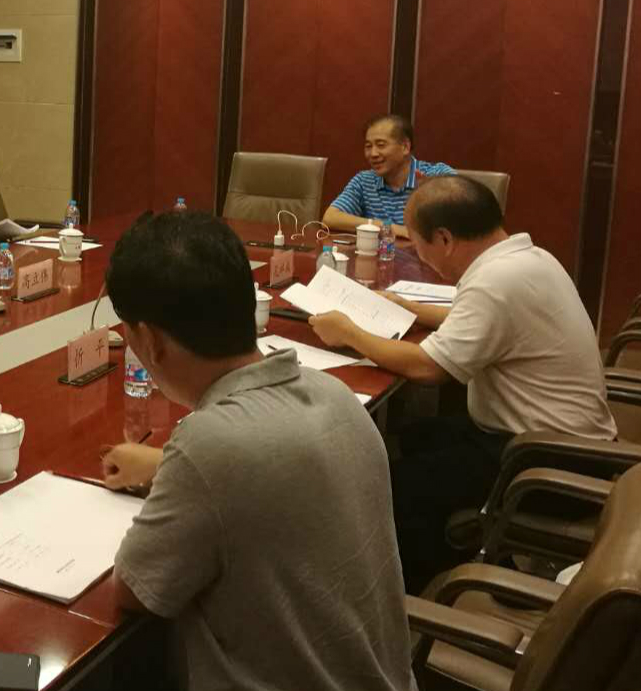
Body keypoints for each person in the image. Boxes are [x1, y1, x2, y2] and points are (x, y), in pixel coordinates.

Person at [101, 211, 416, 691]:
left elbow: (136, 590)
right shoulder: (333, 394)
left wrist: (182, 468)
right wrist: (166, 465)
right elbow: (270, 473)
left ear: (149, 341)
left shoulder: (210, 445)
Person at [309, 175, 617, 591]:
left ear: (444, 238)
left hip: (549, 462)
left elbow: (428, 368)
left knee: (394, 485)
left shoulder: (495, 281)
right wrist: (406, 307)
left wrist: (349, 331)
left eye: (418, 244)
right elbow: (477, 318)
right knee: (413, 438)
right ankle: (445, 546)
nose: (419, 254)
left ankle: (414, 590)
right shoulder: (527, 259)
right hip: (557, 440)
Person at [323, 114, 455, 237]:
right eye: (368, 146)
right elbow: (330, 218)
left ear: (405, 147)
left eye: (381, 145)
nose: (373, 154)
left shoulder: (437, 175)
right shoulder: (364, 180)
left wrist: (431, 198)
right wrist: (387, 227)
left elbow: (462, 216)